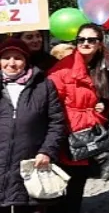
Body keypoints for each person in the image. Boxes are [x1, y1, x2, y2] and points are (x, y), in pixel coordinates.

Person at [48, 24, 109, 213]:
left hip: (88, 136)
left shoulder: (100, 68)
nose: (85, 43)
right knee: (61, 191)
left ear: (99, 43)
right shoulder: (63, 69)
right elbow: (52, 104)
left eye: (91, 40)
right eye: (81, 39)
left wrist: (106, 106)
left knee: (77, 188)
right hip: (69, 134)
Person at [0, 38, 65, 212]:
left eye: (17, 58)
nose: (11, 63)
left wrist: (47, 151)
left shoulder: (43, 86)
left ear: (26, 60)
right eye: (6, 57)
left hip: (30, 163)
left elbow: (56, 122)